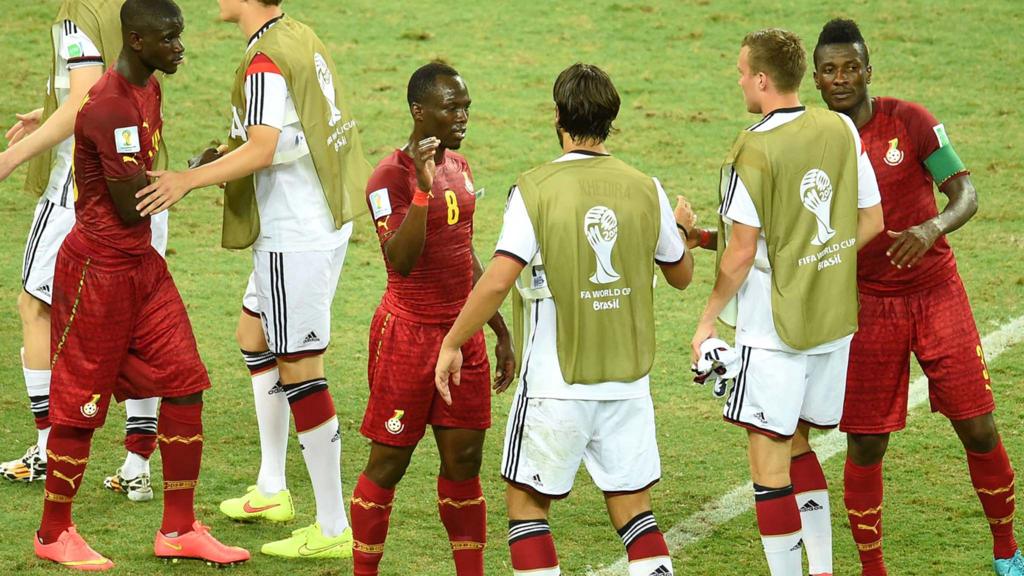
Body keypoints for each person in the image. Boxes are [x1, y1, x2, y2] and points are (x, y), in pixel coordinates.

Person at [435, 62, 693, 576]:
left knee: (527, 507)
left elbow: (497, 278)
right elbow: (681, 275)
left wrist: (453, 343)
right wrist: (681, 231)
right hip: (628, 381)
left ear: (558, 116)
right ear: (611, 119)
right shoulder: (647, 187)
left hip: (556, 382)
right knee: (635, 512)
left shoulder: (534, 189)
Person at [136, 0, 372, 560]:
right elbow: (295, 135)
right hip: (314, 219)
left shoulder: (266, 58)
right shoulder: (296, 34)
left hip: (297, 234)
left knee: (301, 369)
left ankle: (334, 525)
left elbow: (265, 147)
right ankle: (272, 487)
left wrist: (189, 178)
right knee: (254, 335)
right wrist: (227, 153)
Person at [33, 0, 250, 569]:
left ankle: (178, 529)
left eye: (179, 36)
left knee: (184, 382)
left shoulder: (148, 88)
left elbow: (142, 181)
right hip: (98, 272)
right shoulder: (108, 106)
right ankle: (54, 534)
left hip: (141, 267)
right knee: (78, 407)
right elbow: (131, 207)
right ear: (135, 39)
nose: (180, 47)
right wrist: (190, 183)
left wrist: (195, 167)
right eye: (170, 38)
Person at [813, 18, 1023, 576]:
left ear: (868, 71)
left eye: (851, 67)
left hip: (936, 294)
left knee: (978, 425)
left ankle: (1008, 552)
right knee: (865, 444)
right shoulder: (815, 143)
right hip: (865, 304)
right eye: (830, 69)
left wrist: (932, 229)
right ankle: (873, 569)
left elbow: (966, 193)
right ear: (814, 78)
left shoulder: (910, 121)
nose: (841, 78)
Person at [689, 28, 884, 576]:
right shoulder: (841, 127)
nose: (738, 81)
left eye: (740, 71)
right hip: (831, 322)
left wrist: (706, 322)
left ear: (760, 79)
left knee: (768, 458)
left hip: (773, 329)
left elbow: (741, 253)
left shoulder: (754, 147)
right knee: (799, 442)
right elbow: (872, 219)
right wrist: (821, 256)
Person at [349, 62, 515, 576]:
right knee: (389, 464)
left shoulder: (461, 168)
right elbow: (400, 259)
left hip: (461, 335)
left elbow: (462, 253)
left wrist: (499, 328)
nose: (462, 116)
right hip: (407, 337)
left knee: (464, 463)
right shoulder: (387, 177)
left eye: (465, 105)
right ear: (420, 112)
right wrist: (421, 189)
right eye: (452, 107)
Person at [0, 0, 163, 500]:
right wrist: (46, 112)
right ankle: (137, 462)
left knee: (36, 306)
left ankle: (49, 446)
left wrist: (9, 158)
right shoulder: (135, 9)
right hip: (146, 183)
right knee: (140, 322)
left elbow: (85, 100)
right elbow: (112, 88)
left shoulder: (77, 13)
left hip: (81, 190)